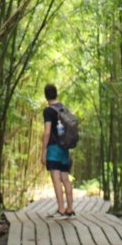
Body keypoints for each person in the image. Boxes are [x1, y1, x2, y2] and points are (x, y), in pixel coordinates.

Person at [40, 83, 74, 217]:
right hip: (64, 147)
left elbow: (47, 132)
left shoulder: (48, 111)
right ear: (56, 93)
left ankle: (61, 209)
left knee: (56, 178)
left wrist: (44, 150)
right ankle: (70, 208)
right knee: (65, 178)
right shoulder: (63, 108)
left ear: (46, 96)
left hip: (53, 147)